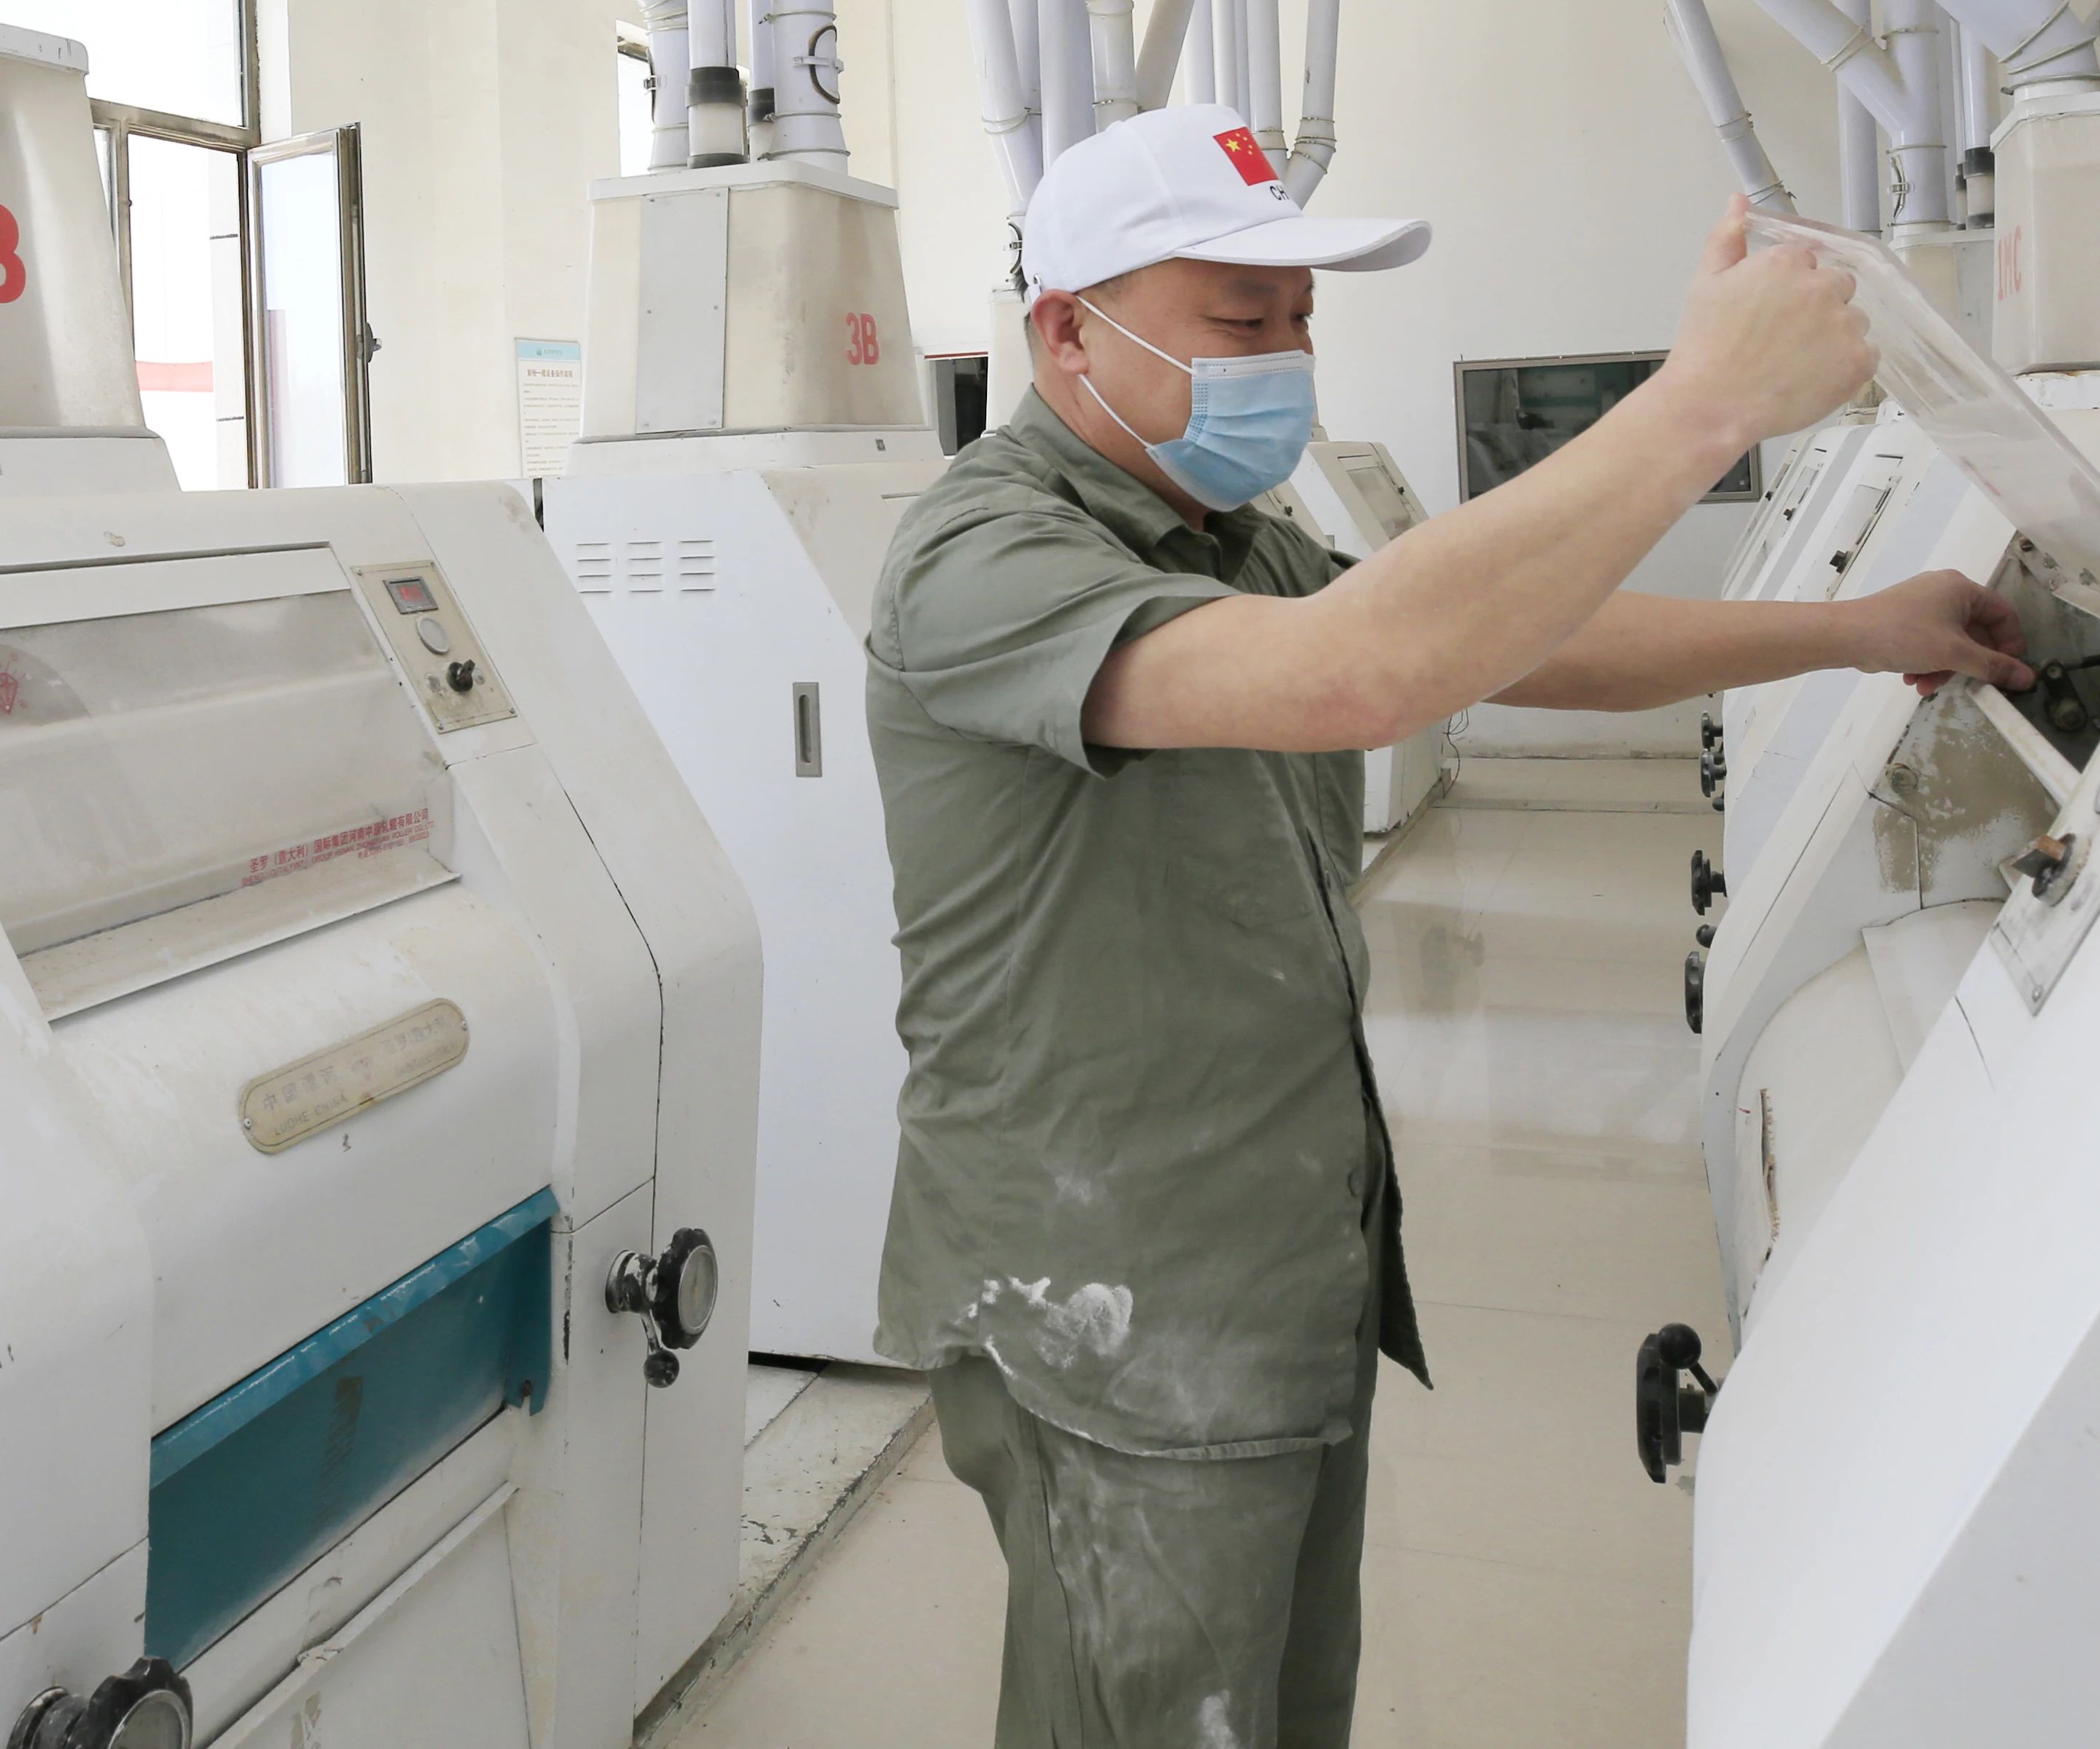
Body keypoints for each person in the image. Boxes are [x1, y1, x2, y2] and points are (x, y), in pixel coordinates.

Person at [862, 104, 2031, 1749]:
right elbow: (1357, 673)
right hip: (1111, 1296)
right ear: (1067, 331)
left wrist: (1849, 627)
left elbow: (1511, 636)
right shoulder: (985, 553)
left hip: (1272, 1249)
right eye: (1241, 320)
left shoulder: (1228, 537)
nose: (1286, 359)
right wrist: (1697, 409)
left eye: (1301, 322)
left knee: (1276, 1705)